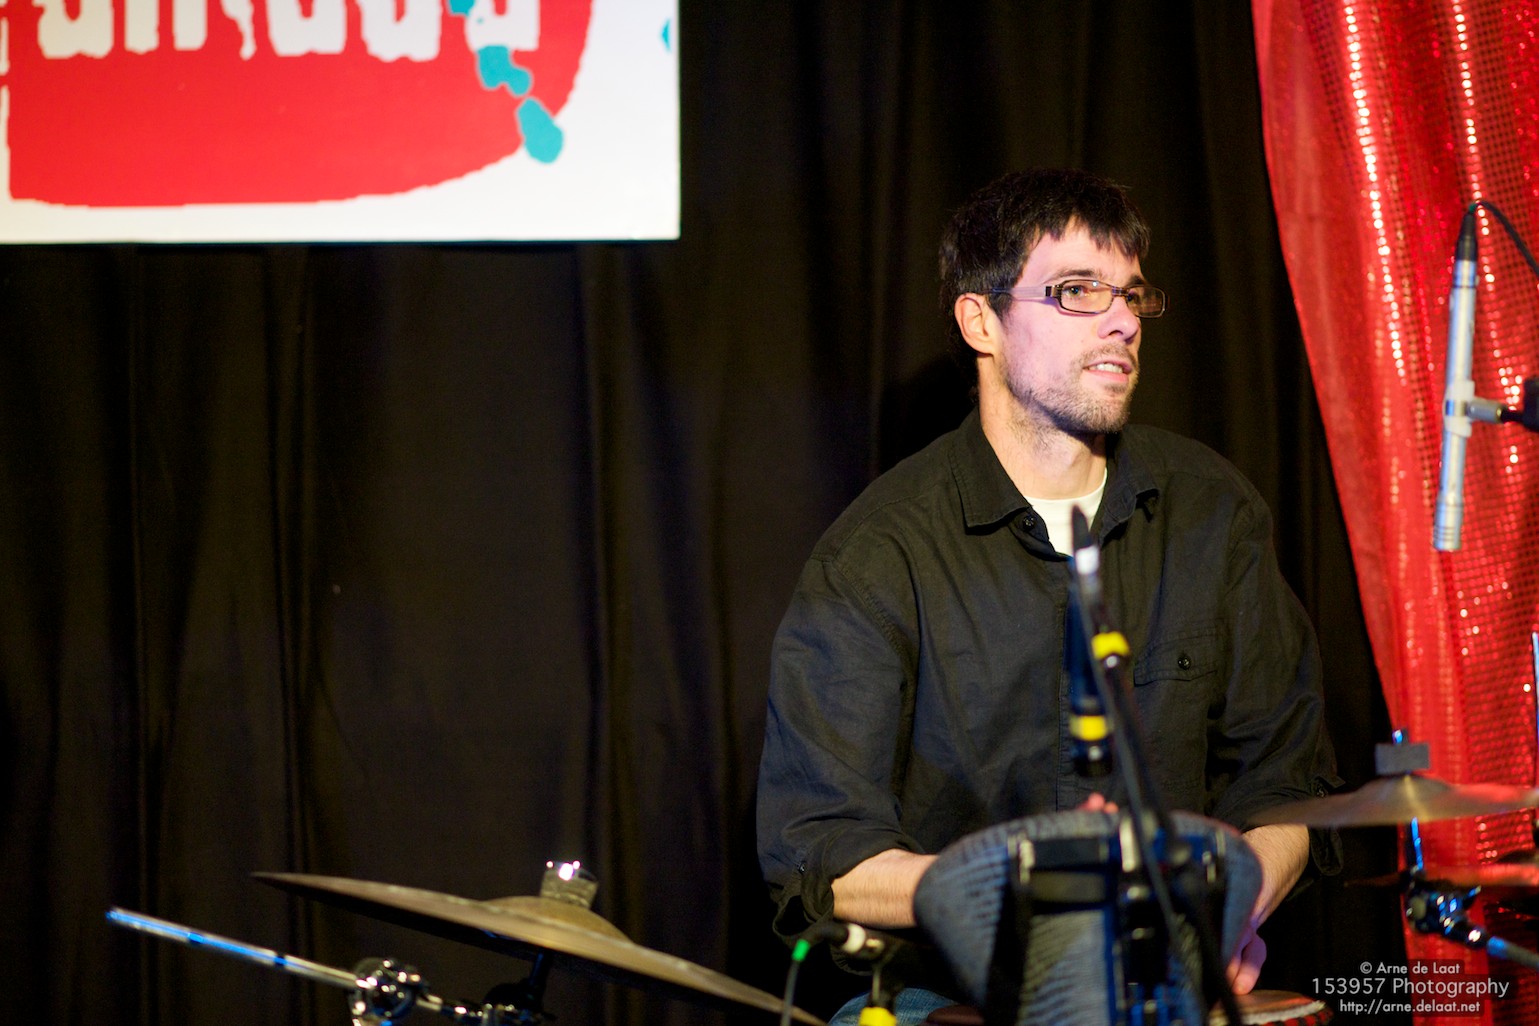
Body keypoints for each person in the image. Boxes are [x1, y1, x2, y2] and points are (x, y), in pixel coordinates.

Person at [756, 168, 1340, 1024]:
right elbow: (819, 855)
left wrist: (1228, 905)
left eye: (1129, 294)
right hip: (943, 996)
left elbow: (1288, 786)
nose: (1121, 320)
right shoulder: (877, 555)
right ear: (980, 322)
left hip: (1163, 983)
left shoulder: (1211, 511)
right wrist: (1031, 899)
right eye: (1076, 290)